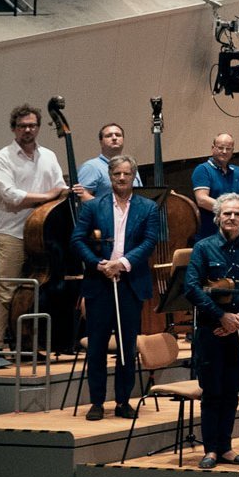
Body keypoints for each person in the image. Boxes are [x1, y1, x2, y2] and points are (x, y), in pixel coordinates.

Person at [70, 155, 163, 418]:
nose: (121, 179)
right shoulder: (92, 207)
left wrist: (121, 263)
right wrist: (99, 264)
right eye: (116, 174)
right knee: (97, 346)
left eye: (125, 174)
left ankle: (123, 400)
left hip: (129, 283)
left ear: (133, 176)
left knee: (126, 346)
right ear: (109, 177)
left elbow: (149, 242)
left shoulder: (148, 208)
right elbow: (77, 240)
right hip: (99, 283)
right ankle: (97, 402)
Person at [183, 193, 239, 469]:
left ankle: (226, 447)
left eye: (237, 214)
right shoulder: (203, 248)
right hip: (210, 331)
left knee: (231, 391)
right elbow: (192, 288)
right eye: (226, 213)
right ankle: (211, 450)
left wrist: (238, 318)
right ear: (217, 217)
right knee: (212, 390)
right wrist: (221, 317)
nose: (231, 218)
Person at [0, 103, 69, 366]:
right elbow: (10, 195)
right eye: (22, 126)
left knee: (40, 290)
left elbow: (59, 186)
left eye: (32, 125)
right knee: (7, 290)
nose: (28, 130)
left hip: (43, 233)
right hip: (13, 232)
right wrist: (46, 197)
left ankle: (29, 345)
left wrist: (67, 191)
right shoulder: (3, 157)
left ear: (38, 127)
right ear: (14, 128)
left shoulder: (48, 155)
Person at [189, 133, 239, 243]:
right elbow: (202, 200)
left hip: (234, 237)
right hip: (209, 238)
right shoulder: (203, 169)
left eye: (228, 148)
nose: (224, 151)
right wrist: (231, 211)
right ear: (213, 148)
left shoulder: (237, 171)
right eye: (221, 148)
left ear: (233, 151)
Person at [73, 122, 126, 201]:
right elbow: (80, 199)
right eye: (109, 136)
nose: (114, 138)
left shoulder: (130, 167)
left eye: (118, 135)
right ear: (101, 142)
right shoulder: (91, 167)